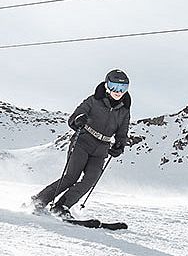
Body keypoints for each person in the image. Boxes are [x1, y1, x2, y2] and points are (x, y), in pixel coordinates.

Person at [32, 69, 132, 218]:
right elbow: (74, 118)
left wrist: (119, 145)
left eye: (122, 88)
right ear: (106, 85)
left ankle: (61, 206)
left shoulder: (124, 110)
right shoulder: (93, 100)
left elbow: (122, 131)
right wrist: (78, 120)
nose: (118, 92)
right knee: (71, 177)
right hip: (83, 141)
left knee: (89, 180)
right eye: (114, 87)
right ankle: (40, 200)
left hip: (101, 149)